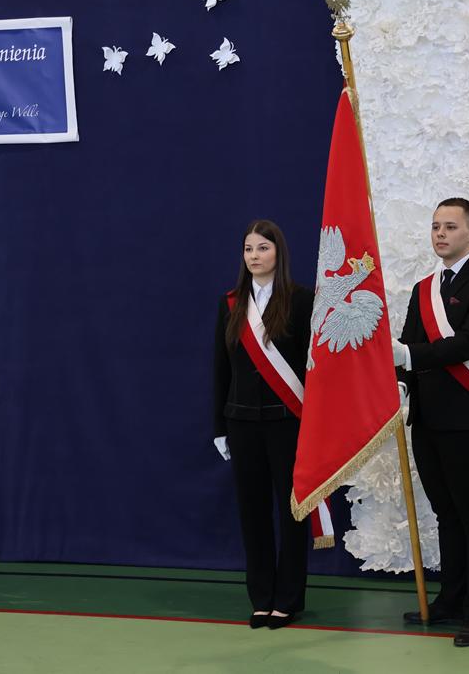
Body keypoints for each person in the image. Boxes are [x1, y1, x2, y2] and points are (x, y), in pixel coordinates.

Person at [391, 198, 469, 648]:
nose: (440, 234)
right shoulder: (423, 289)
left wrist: (409, 356)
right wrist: (401, 384)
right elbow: (408, 346)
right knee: (446, 513)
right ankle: (452, 598)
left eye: (450, 227)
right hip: (427, 418)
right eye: (435, 226)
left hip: (468, 417)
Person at [213, 219, 314, 630]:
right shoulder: (231, 304)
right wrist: (219, 427)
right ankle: (261, 597)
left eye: (263, 248)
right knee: (252, 512)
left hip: (288, 422)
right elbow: (220, 369)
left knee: (292, 513)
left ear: (278, 253)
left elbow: (313, 368)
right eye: (248, 249)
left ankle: (287, 599)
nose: (254, 256)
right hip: (241, 423)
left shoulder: (302, 300)